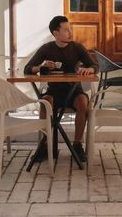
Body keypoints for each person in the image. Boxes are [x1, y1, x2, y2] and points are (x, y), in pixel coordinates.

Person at [24, 15, 98, 162]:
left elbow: (95, 66)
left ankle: (77, 145)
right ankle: (45, 146)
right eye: (66, 30)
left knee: (83, 103)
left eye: (70, 29)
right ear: (55, 33)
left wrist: (89, 70)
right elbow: (27, 69)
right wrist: (41, 66)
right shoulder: (47, 49)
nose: (70, 33)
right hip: (54, 92)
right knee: (45, 103)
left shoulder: (77, 47)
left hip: (74, 91)